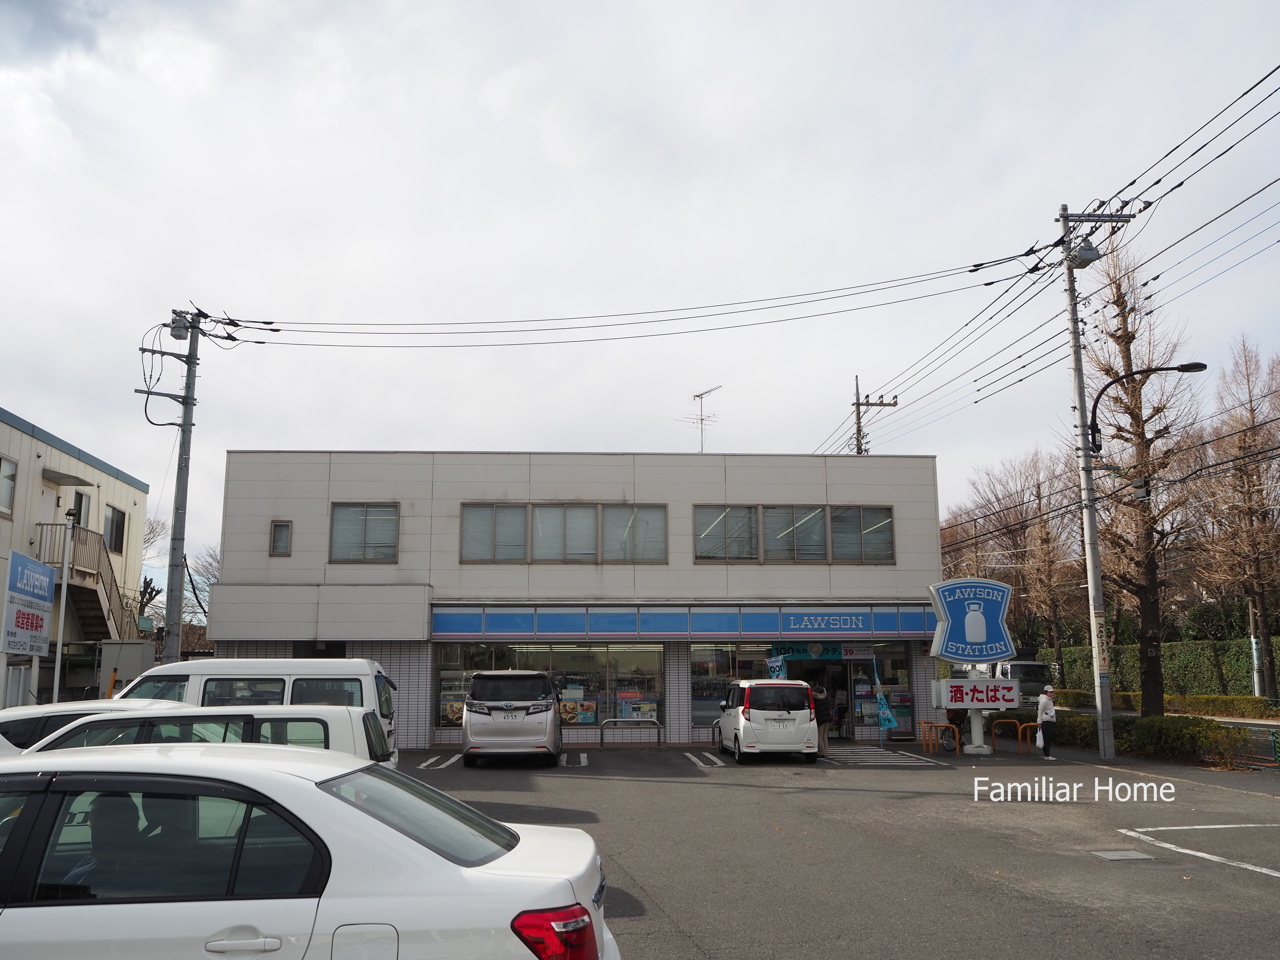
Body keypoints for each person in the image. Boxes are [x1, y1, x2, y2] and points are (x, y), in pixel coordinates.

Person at [1036, 685, 1057, 760]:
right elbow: (1040, 711)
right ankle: (1047, 755)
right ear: (1046, 692)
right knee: (1046, 739)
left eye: (1052, 692)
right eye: (1049, 692)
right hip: (1045, 721)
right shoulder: (1044, 700)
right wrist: (1039, 722)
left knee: (1048, 738)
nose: (1051, 694)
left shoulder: (1049, 700)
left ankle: (1047, 755)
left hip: (1049, 720)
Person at [813, 684, 833, 758]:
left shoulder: (815, 697)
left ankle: (821, 752)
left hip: (820, 718)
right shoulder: (825, 697)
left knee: (819, 735)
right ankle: (825, 752)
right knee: (824, 735)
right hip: (827, 718)